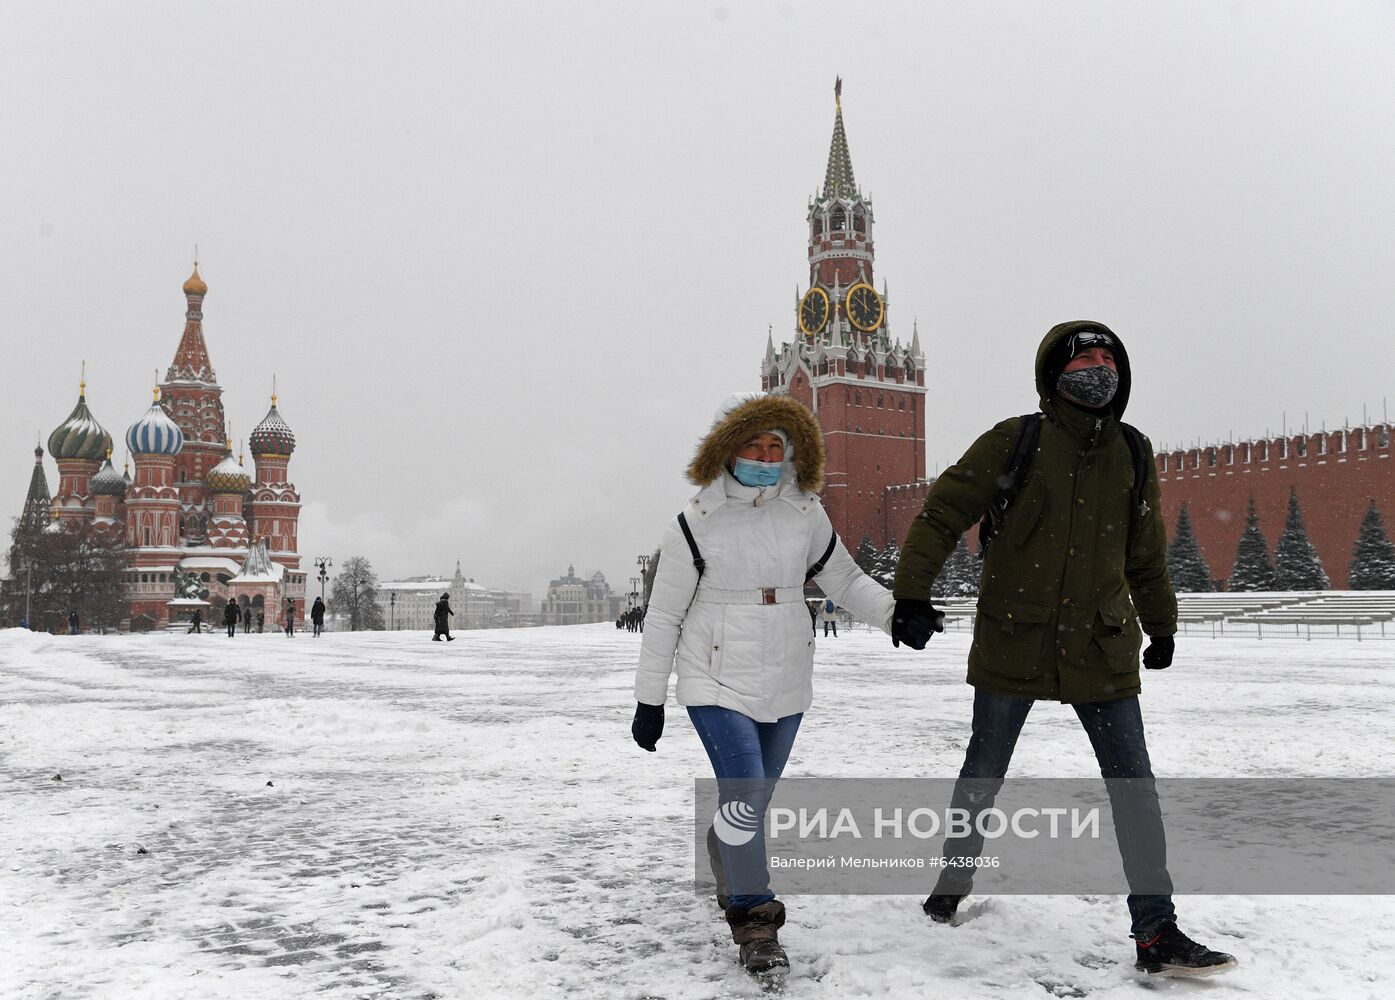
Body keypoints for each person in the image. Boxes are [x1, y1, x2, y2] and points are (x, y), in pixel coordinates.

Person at [891, 321, 1237, 977]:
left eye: (1106, 358)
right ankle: (950, 885)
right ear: (1055, 374)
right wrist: (911, 595)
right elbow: (941, 512)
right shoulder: (1015, 440)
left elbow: (1144, 554)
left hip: (1100, 648)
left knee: (1134, 789)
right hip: (1012, 642)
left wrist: (1161, 627)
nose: (1097, 369)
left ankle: (1155, 932)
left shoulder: (1132, 453)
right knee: (981, 776)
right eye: (1083, 360)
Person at [631, 392, 897, 981]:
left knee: (752, 799)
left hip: (785, 671)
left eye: (776, 446)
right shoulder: (693, 523)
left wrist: (895, 613)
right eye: (754, 443)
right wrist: (649, 699)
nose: (764, 455)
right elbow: (665, 615)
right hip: (714, 674)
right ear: (728, 450)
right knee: (747, 788)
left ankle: (725, 845)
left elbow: (846, 579)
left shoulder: (805, 513)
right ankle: (755, 918)